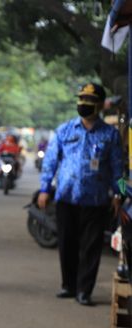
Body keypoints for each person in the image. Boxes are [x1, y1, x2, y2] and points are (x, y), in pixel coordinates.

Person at [38, 82, 124, 306]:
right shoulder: (64, 130)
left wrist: (119, 194)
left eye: (90, 102)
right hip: (66, 197)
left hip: (95, 200)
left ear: (100, 106)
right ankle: (68, 285)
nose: (84, 105)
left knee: (91, 246)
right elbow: (50, 161)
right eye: (81, 100)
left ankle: (84, 290)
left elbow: (118, 168)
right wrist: (45, 188)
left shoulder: (110, 135)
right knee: (67, 243)